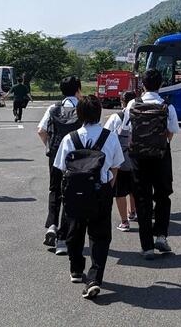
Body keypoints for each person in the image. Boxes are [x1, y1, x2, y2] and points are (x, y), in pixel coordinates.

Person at [53, 95, 123, 299]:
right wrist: (107, 188)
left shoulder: (71, 138)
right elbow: (116, 166)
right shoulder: (110, 137)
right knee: (100, 236)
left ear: (79, 114)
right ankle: (94, 278)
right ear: (99, 113)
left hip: (75, 193)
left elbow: (61, 168)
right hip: (101, 190)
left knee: (75, 231)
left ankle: (76, 269)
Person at [126, 69, 179, 259]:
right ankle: (161, 236)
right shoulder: (167, 106)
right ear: (161, 85)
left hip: (138, 158)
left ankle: (147, 246)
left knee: (142, 199)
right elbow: (171, 132)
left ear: (143, 85)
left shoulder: (133, 103)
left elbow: (127, 128)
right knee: (163, 196)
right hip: (161, 156)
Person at [37, 75, 83, 255]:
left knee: (55, 190)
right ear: (78, 89)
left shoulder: (54, 108)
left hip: (56, 155)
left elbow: (41, 131)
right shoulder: (83, 108)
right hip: (78, 158)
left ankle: (52, 225)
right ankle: (64, 238)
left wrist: (50, 147)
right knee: (73, 194)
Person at [103, 90, 137, 232]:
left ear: (122, 102)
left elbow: (105, 134)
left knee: (120, 192)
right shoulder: (140, 116)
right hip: (136, 160)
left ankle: (124, 222)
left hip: (120, 161)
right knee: (134, 189)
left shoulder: (116, 117)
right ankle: (132, 212)